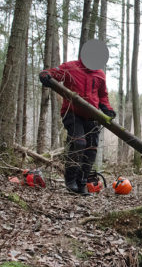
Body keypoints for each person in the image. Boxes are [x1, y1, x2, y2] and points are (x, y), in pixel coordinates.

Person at [39, 40, 116, 195]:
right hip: (72, 113)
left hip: (92, 116)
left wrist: (107, 109)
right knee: (79, 142)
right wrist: (45, 76)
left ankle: (82, 184)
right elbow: (51, 73)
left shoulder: (100, 74)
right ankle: (71, 181)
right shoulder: (70, 67)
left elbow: (102, 96)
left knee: (91, 149)